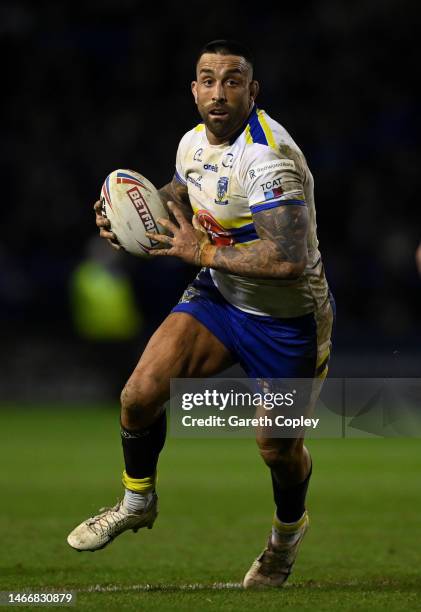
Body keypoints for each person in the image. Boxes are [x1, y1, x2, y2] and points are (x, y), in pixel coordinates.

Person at [67, 39, 335, 588]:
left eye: (232, 80)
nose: (219, 91)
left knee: (277, 450)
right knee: (138, 395)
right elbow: (184, 195)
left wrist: (201, 252)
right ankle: (136, 500)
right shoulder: (192, 143)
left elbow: (287, 257)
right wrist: (130, 216)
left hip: (287, 321)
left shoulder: (268, 157)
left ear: (251, 91)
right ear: (194, 90)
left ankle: (286, 535)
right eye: (208, 79)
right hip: (220, 296)